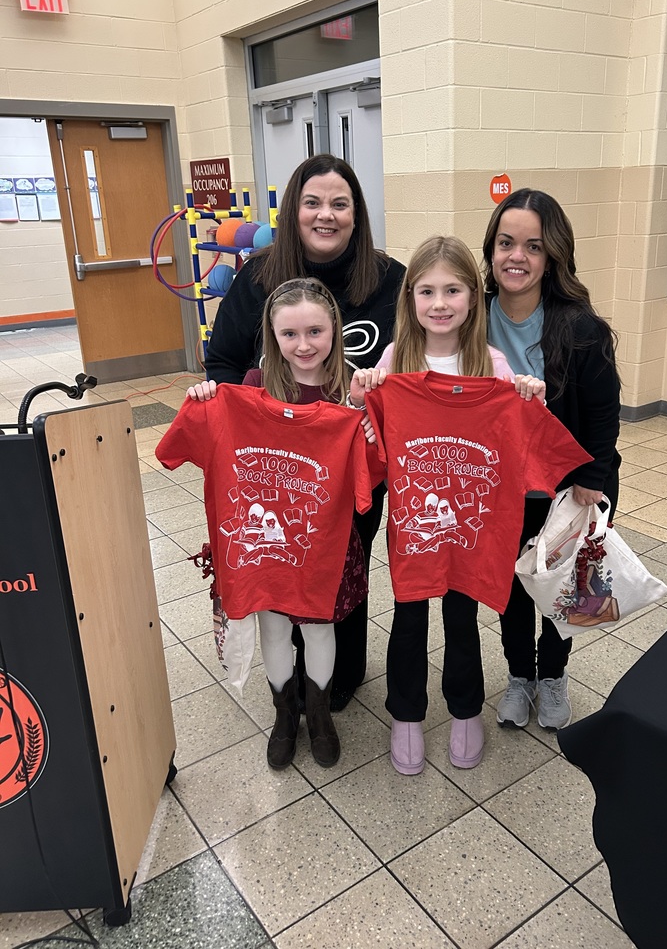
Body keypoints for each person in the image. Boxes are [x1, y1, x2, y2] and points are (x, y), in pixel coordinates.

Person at [205, 154, 405, 710]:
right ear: (293, 211)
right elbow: (222, 362)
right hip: (277, 470)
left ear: (357, 214)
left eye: (339, 204)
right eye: (312, 203)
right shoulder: (258, 275)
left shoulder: (391, 280)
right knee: (282, 560)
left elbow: (415, 363)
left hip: (354, 464)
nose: (326, 215)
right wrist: (239, 426)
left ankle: (337, 678)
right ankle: (287, 683)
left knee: (345, 562)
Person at [350, 235, 546, 776]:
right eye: (427, 290)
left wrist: (531, 396)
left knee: (462, 619)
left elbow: (520, 441)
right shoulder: (395, 359)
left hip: (471, 524)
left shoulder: (493, 364)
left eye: (453, 290)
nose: (440, 303)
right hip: (413, 523)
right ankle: (407, 714)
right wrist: (360, 394)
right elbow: (371, 440)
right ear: (409, 297)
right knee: (409, 618)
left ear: (472, 295)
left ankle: (464, 711)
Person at [182, 278, 377, 770]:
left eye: (315, 330)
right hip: (268, 542)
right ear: (272, 335)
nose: (304, 344)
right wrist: (207, 396)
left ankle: (320, 714)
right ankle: (284, 714)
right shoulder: (251, 388)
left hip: (327, 541)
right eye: (290, 334)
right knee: (273, 625)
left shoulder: (352, 389)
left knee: (318, 629)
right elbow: (214, 443)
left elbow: (375, 471)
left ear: (336, 329)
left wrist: (368, 426)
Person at [483, 188, 621, 731]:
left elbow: (603, 415)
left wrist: (593, 475)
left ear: (552, 256)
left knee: (563, 591)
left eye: (533, 246)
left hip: (566, 490)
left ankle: (554, 675)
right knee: (513, 593)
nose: (517, 256)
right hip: (500, 489)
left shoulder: (580, 327)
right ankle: (520, 677)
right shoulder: (474, 318)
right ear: (491, 250)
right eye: (506, 242)